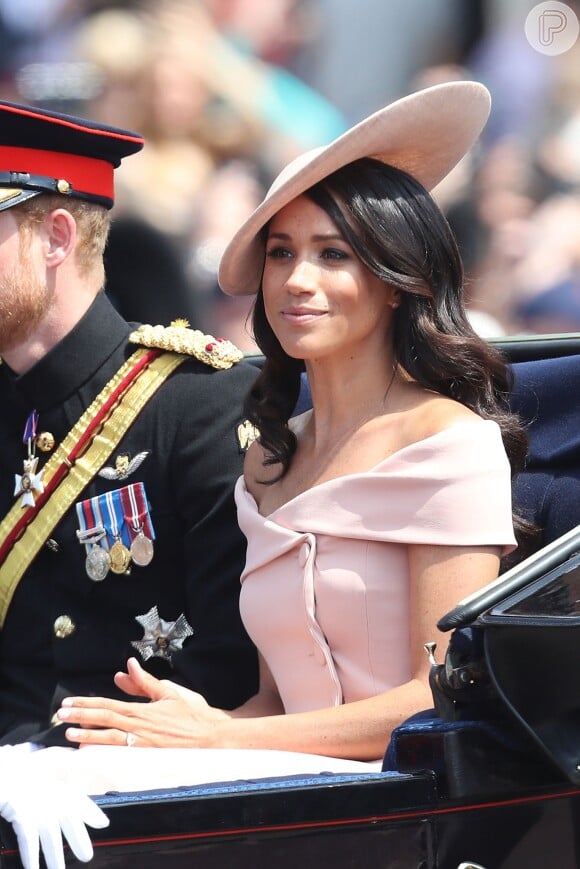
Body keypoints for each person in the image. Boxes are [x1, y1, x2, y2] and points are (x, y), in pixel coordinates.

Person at [55, 81, 527, 766]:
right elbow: (279, 706)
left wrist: (219, 735)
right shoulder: (269, 460)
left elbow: (441, 695)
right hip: (286, 794)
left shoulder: (448, 442)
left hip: (404, 808)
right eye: (281, 253)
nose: (298, 279)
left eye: (333, 254)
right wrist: (154, 739)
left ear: (396, 279)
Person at [0, 99, 259, 866]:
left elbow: (227, 665)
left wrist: (59, 757)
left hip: (134, 814)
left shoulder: (199, 401)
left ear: (54, 238)